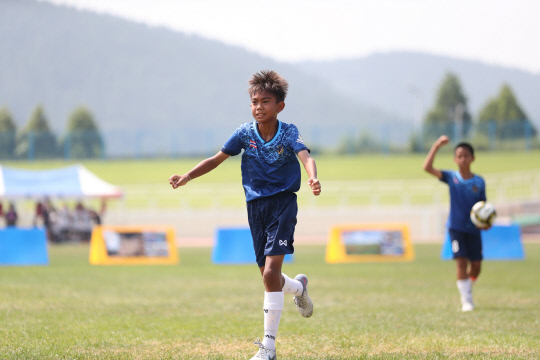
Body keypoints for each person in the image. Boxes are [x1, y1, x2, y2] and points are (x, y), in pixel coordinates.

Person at [169, 70, 321, 360]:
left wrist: (312, 178)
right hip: (256, 209)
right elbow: (216, 159)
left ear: (280, 106)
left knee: (270, 272)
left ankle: (268, 347)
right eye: (254, 101)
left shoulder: (288, 132)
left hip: (283, 205)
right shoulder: (244, 133)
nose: (259, 106)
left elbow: (306, 157)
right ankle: (299, 287)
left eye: (265, 101)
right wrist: (188, 176)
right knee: (268, 278)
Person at [423, 135, 489, 312]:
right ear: (454, 159)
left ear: (472, 158)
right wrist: (437, 145)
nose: (462, 159)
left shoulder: (479, 182)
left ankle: (467, 286)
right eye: (459, 156)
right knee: (461, 263)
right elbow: (427, 168)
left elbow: (483, 208)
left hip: (473, 230)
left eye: (465, 155)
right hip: (456, 228)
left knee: (476, 267)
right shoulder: (451, 177)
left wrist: (486, 223)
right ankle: (466, 300)